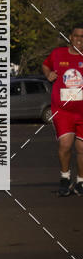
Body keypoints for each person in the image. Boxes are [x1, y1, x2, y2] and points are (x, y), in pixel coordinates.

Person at [41, 24, 83, 196]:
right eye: (76, 36)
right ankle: (65, 178)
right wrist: (48, 74)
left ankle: (80, 181)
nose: (80, 40)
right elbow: (45, 65)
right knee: (65, 145)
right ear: (70, 37)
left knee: (81, 148)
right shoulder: (58, 54)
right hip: (63, 111)